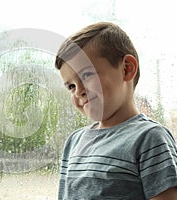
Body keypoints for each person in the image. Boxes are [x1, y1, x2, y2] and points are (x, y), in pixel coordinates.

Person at [55, 22, 177, 200]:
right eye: (71, 86)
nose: (78, 91)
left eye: (87, 75)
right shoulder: (74, 142)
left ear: (127, 69)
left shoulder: (150, 138)